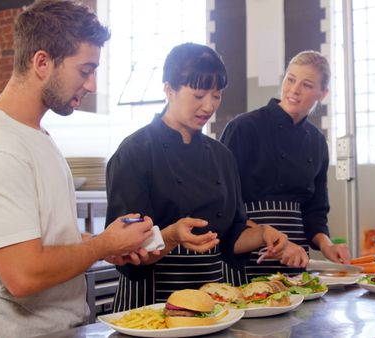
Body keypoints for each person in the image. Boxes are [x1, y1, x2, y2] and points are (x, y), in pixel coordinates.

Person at [0, 1, 156, 336]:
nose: (92, 85)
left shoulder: (36, 135)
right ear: (42, 62)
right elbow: (24, 274)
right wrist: (103, 245)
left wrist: (113, 244)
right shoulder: (0, 147)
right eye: (85, 70)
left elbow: (48, 236)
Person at [105, 42, 300, 310]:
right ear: (169, 89)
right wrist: (172, 235)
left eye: (216, 95)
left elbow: (231, 236)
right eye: (198, 95)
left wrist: (264, 233)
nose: (209, 106)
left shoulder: (222, 156)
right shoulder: (135, 152)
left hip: (212, 300)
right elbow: (125, 249)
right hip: (151, 301)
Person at [220, 50, 350, 279]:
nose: (294, 90)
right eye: (290, 79)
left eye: (307, 85)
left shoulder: (317, 141)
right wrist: (265, 235)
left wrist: (327, 244)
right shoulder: (243, 128)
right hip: (247, 255)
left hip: (295, 257)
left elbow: (315, 210)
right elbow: (225, 203)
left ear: (323, 93)